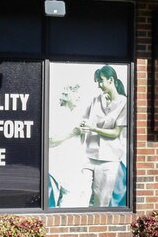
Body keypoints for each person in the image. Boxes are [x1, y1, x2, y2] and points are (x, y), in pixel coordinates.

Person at [53, 65, 128, 207]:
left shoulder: (124, 103)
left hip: (108, 160)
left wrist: (93, 128)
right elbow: (83, 119)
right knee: (79, 195)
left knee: (101, 202)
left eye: (101, 81)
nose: (99, 85)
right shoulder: (96, 100)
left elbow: (116, 132)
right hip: (88, 157)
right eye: (97, 81)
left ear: (111, 80)